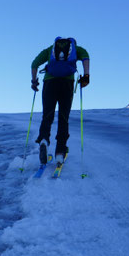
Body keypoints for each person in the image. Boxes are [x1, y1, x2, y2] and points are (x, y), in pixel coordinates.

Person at [31, 37, 90, 166]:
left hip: (49, 83)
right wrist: (86, 76)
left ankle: (44, 141)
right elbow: (86, 57)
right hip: (67, 84)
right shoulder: (77, 49)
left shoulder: (49, 50)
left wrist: (34, 81)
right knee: (63, 117)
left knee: (47, 115)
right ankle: (60, 153)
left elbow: (34, 64)